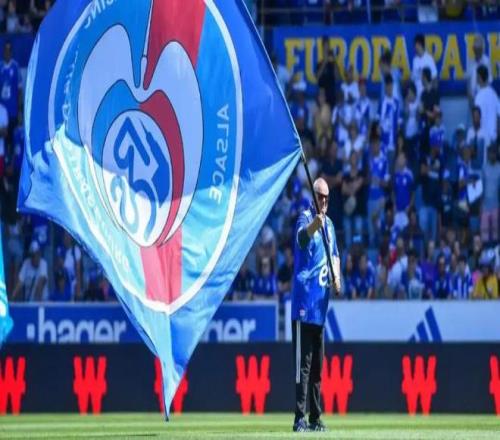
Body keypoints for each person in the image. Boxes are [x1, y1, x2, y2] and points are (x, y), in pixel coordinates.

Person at [291, 177, 341, 432]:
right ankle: (299, 417)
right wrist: (314, 226)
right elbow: (301, 239)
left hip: (320, 305)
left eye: (326, 198)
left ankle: (315, 417)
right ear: (313, 196)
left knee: (318, 368)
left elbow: (335, 255)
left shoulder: (329, 225)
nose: (324, 201)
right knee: (303, 366)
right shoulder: (305, 218)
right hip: (304, 302)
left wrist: (337, 277)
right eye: (320, 196)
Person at [474, 64, 499, 144]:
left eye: (477, 77)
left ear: (479, 78)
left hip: (482, 138)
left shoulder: (478, 96)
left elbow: (476, 118)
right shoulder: (494, 94)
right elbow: (498, 115)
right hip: (493, 137)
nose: (476, 79)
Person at [411, 34, 437, 98]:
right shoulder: (415, 60)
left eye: (415, 45)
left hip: (426, 95)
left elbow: (434, 78)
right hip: (417, 95)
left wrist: (431, 94)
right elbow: (413, 79)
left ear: (419, 45)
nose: (414, 47)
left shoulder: (429, 59)